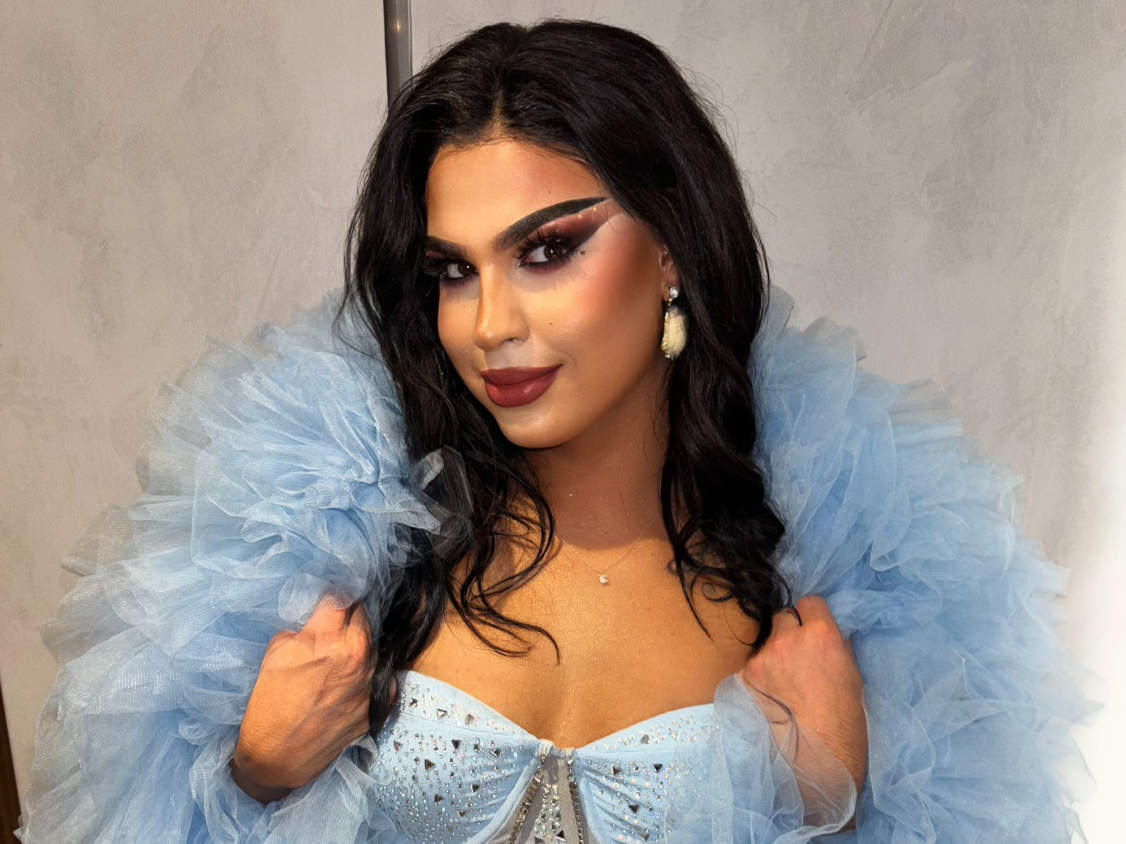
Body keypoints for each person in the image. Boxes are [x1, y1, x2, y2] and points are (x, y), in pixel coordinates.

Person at [17, 20, 1088, 844]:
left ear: (671, 249)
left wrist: (832, 806)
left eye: (547, 250)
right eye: (453, 270)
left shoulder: (816, 586)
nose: (490, 324)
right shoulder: (347, 563)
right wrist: (255, 777)